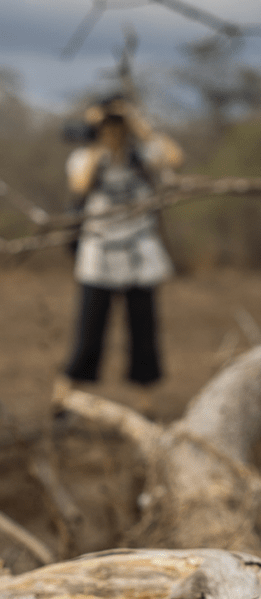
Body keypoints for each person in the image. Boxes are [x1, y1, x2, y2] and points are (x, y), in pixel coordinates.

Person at [53, 95, 183, 413]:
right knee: (89, 334)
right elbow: (80, 184)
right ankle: (62, 399)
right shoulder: (85, 157)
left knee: (143, 334)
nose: (114, 130)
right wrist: (97, 132)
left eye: (117, 124)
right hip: (98, 256)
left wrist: (138, 121)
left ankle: (146, 405)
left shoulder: (141, 156)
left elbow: (173, 157)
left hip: (140, 256)